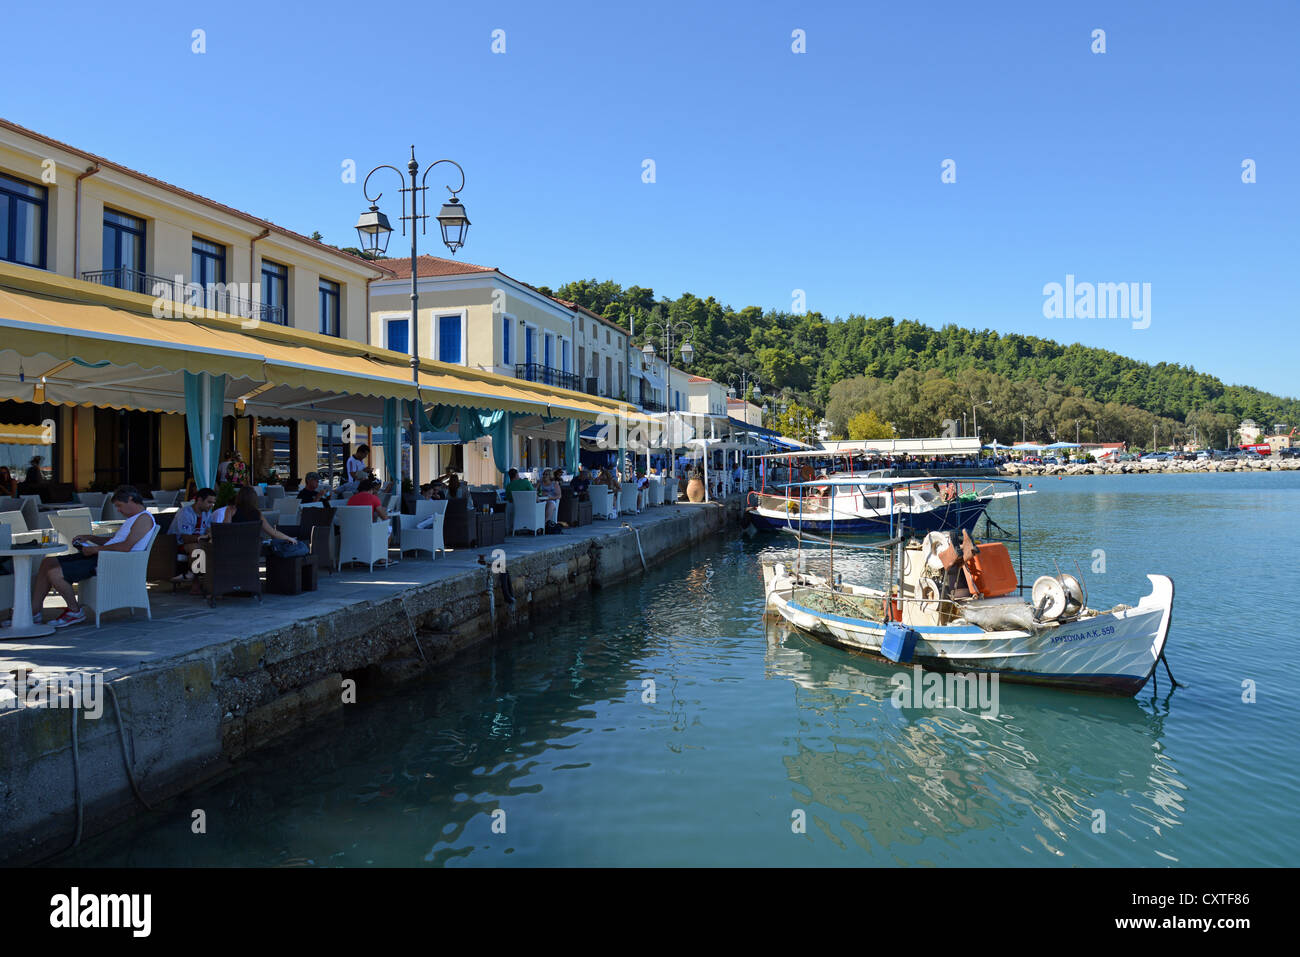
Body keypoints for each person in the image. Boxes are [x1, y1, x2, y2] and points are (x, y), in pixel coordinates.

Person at [31, 485, 157, 628]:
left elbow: (125, 547)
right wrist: (91, 538)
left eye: (119, 506)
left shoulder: (144, 519)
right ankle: (34, 613)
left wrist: (95, 549)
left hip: (109, 562)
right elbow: (115, 542)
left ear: (130, 499)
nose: (118, 510)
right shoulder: (134, 519)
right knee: (48, 561)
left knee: (54, 572)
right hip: (103, 556)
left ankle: (74, 612)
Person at [223, 485, 301, 543]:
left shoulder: (231, 510)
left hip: (234, 546)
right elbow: (272, 532)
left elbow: (225, 529)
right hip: (253, 548)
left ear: (238, 497)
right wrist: (289, 538)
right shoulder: (257, 513)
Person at [171, 487, 217, 586]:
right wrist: (202, 538)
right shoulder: (185, 513)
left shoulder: (207, 513)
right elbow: (185, 538)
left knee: (213, 547)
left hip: (198, 542)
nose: (211, 505)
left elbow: (209, 529)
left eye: (213, 503)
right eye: (209, 502)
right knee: (197, 548)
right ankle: (197, 583)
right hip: (175, 544)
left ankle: (199, 578)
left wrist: (209, 535)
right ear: (199, 500)